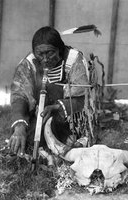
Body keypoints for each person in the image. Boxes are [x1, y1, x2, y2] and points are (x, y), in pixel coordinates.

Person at [8, 26, 90, 155]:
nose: (45, 59)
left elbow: (82, 98)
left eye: (50, 53)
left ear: (60, 49)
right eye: (40, 54)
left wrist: (57, 107)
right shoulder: (29, 63)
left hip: (69, 116)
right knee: (28, 136)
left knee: (67, 141)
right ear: (34, 52)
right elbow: (20, 95)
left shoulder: (73, 60)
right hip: (39, 113)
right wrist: (19, 126)